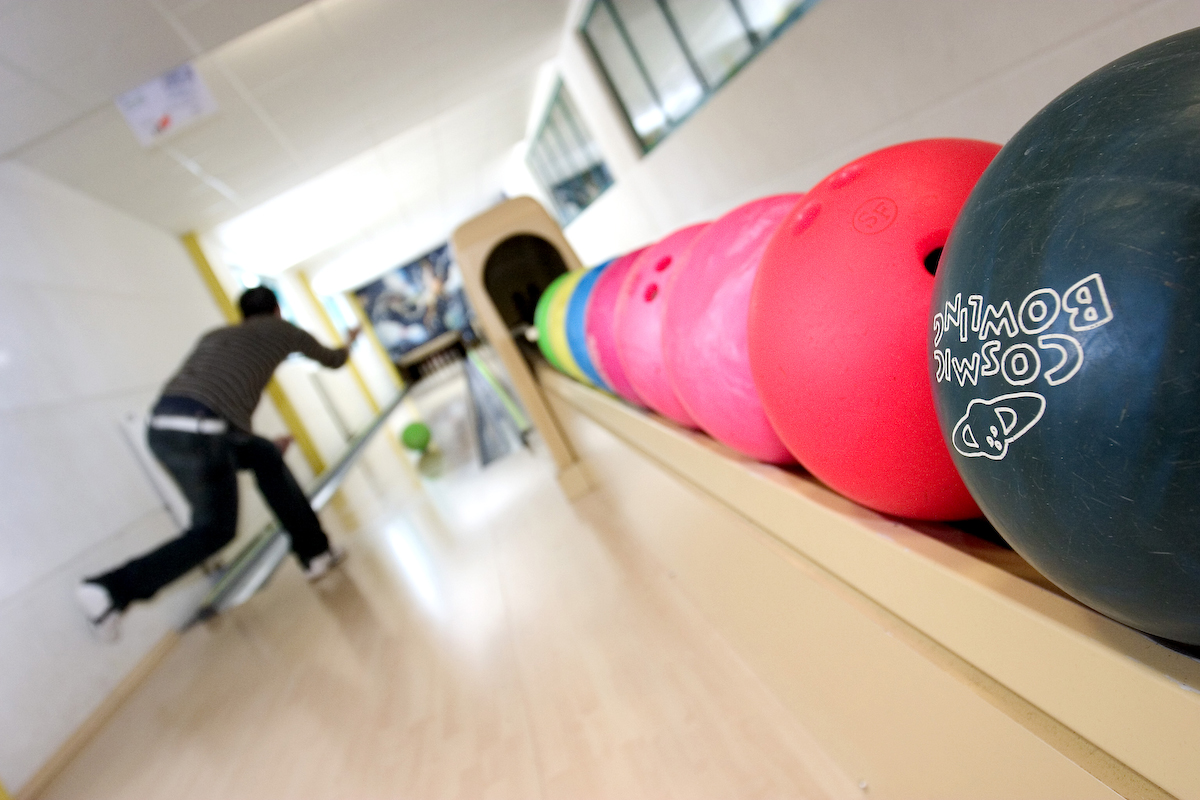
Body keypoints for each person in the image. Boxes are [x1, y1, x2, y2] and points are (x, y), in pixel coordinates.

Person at [76, 286, 360, 636]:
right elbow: (334, 360)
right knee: (215, 530)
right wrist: (350, 340)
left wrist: (253, 443)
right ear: (276, 311)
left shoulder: (215, 335)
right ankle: (110, 590)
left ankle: (316, 552)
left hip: (164, 428)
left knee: (265, 454)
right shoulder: (282, 329)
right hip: (203, 429)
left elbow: (216, 393)